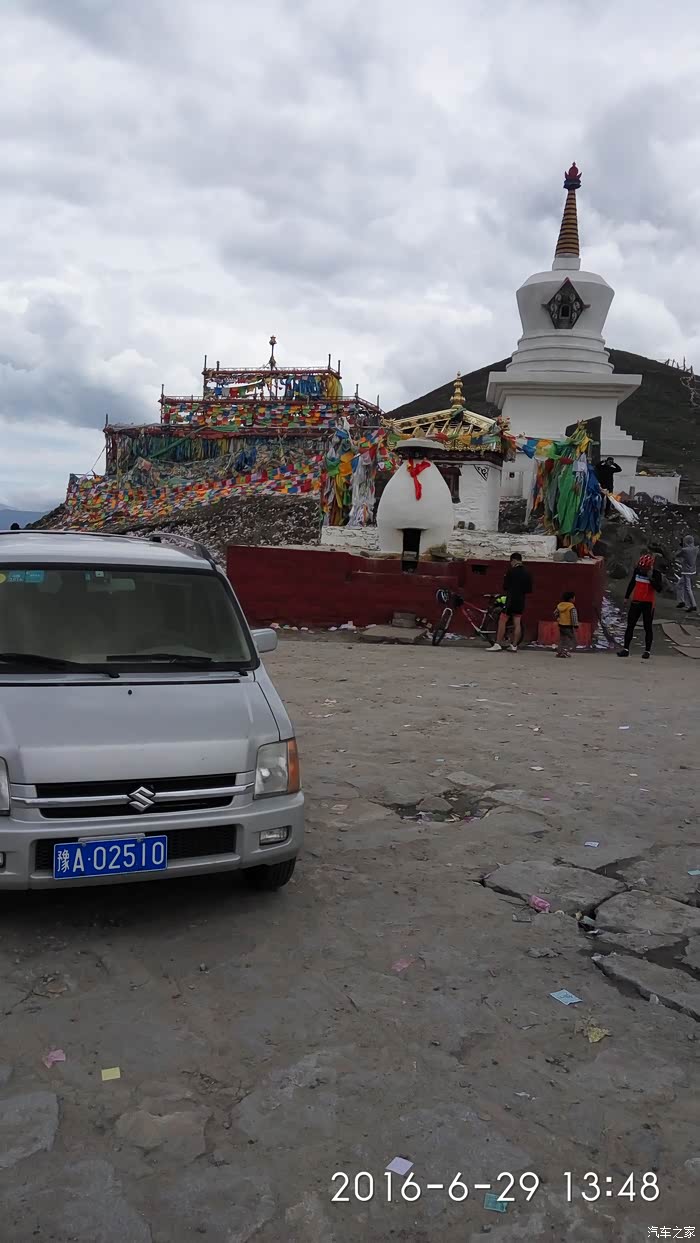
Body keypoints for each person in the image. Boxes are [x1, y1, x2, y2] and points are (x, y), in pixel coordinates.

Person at [618, 551, 664, 660]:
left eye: (645, 569)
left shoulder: (656, 574)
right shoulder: (637, 571)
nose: (642, 571)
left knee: (647, 626)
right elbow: (632, 583)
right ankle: (626, 649)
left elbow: (659, 589)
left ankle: (647, 650)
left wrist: (650, 578)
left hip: (648, 603)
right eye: (641, 569)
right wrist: (626, 597)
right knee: (630, 625)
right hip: (636, 601)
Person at [487, 552, 533, 652]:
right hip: (521, 600)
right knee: (517, 622)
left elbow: (505, 586)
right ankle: (514, 645)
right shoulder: (527, 572)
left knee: (502, 620)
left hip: (511, 599)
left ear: (513, 560)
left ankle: (497, 643)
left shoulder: (511, 571)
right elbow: (529, 589)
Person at [675, 534, 698, 613]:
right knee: (679, 585)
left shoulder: (684, 550)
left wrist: (681, 546)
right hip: (692, 571)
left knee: (688, 588)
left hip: (686, 571)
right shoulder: (695, 549)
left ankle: (693, 605)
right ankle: (681, 602)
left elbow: (676, 554)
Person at [554, 590, 578, 658]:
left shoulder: (560, 605)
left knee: (562, 639)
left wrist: (558, 618)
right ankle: (565, 652)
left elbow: (555, 613)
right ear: (571, 599)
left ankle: (560, 652)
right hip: (568, 626)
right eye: (574, 597)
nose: (574, 599)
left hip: (561, 625)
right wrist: (575, 625)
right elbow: (574, 617)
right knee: (569, 639)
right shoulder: (571, 607)